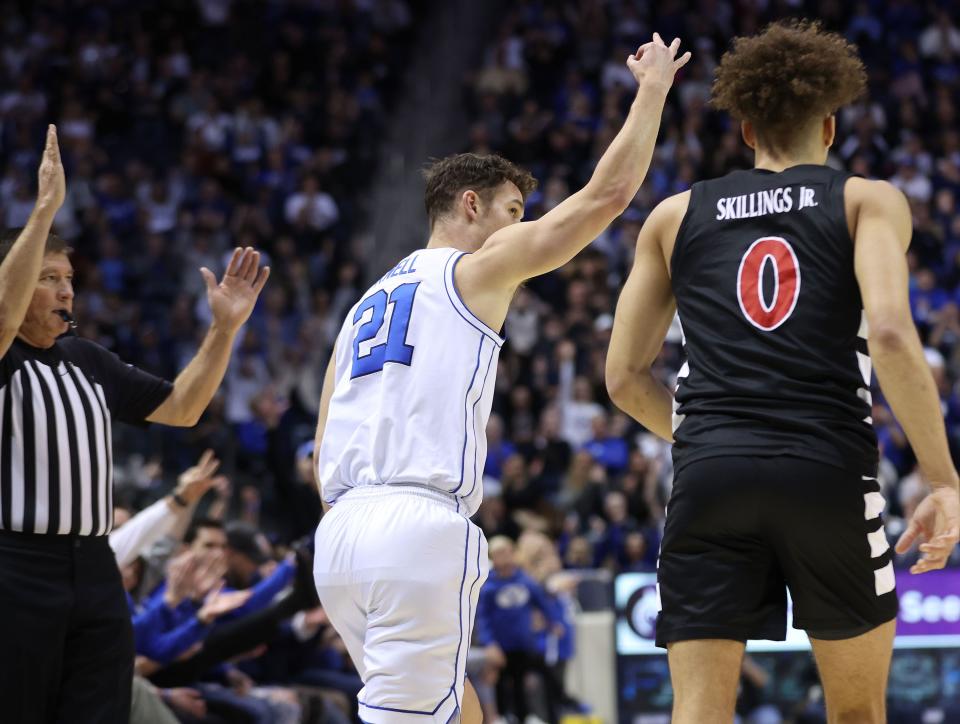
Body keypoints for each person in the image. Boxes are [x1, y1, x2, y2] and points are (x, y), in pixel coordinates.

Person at [312, 34, 691, 724]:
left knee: (462, 711)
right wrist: (653, 92)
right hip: (416, 522)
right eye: (513, 212)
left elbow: (321, 442)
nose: (520, 228)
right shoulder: (471, 268)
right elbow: (604, 199)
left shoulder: (363, 305)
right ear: (469, 207)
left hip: (338, 537)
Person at [604, 21, 960, 724]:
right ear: (829, 127)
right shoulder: (867, 199)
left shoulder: (674, 217)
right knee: (857, 712)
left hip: (710, 476)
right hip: (826, 467)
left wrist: (710, 441)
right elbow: (888, 330)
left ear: (744, 130)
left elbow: (622, 378)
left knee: (699, 711)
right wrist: (942, 479)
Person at [0, 125, 270, 724]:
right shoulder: (4, 356)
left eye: (69, 278)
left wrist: (223, 330)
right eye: (48, 277)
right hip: (18, 566)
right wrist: (43, 210)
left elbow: (183, 408)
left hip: (95, 567)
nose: (65, 289)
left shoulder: (87, 359)